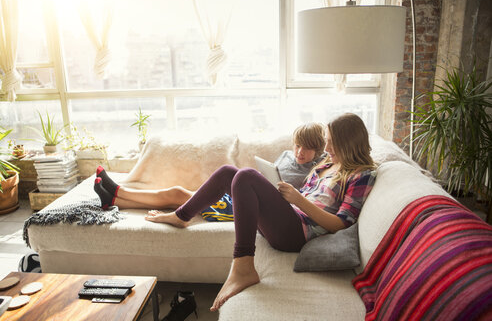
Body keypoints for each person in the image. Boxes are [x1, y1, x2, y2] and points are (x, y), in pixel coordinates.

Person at [99, 113, 377, 312]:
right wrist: (286, 197)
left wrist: (297, 201)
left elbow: (341, 223)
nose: (327, 149)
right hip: (290, 216)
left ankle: (244, 265)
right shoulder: (327, 165)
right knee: (228, 173)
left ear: (349, 143)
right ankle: (182, 216)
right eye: (326, 142)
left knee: (244, 176)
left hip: (299, 233)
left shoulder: (361, 174)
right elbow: (308, 195)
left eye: (332, 143)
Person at [93, 122, 327, 213]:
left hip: (251, 207)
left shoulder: (315, 170)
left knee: (177, 194)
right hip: (248, 194)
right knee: (176, 195)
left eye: (306, 149)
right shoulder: (288, 155)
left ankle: (118, 192)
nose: (299, 153)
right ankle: (114, 200)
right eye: (297, 146)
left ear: (318, 149)